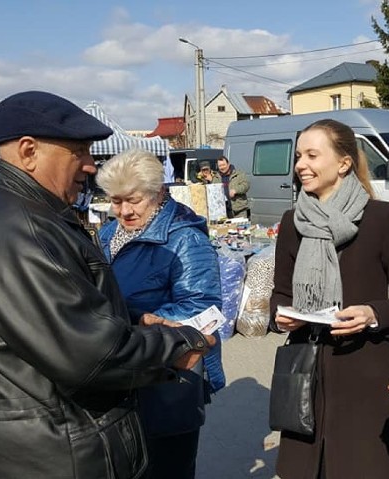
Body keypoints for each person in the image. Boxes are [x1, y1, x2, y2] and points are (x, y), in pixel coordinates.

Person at [0, 90, 215, 479]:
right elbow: (89, 354)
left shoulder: (12, 211)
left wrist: (135, 325)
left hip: (44, 441)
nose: (89, 165)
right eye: (79, 151)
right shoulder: (20, 230)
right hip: (51, 451)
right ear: (29, 151)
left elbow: (63, 324)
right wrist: (178, 343)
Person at [270, 118, 389, 478]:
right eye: (299, 155)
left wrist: (372, 313)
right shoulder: (292, 222)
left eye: (312, 155)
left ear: (343, 163)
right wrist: (281, 315)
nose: (301, 164)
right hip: (305, 367)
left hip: (363, 369)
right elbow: (280, 293)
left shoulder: (381, 218)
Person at [96, 148, 223, 479]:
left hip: (171, 373)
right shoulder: (108, 234)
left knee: (167, 467)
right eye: (115, 201)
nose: (123, 211)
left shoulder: (184, 238)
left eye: (132, 200)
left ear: (158, 191)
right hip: (124, 368)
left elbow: (202, 309)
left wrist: (132, 317)